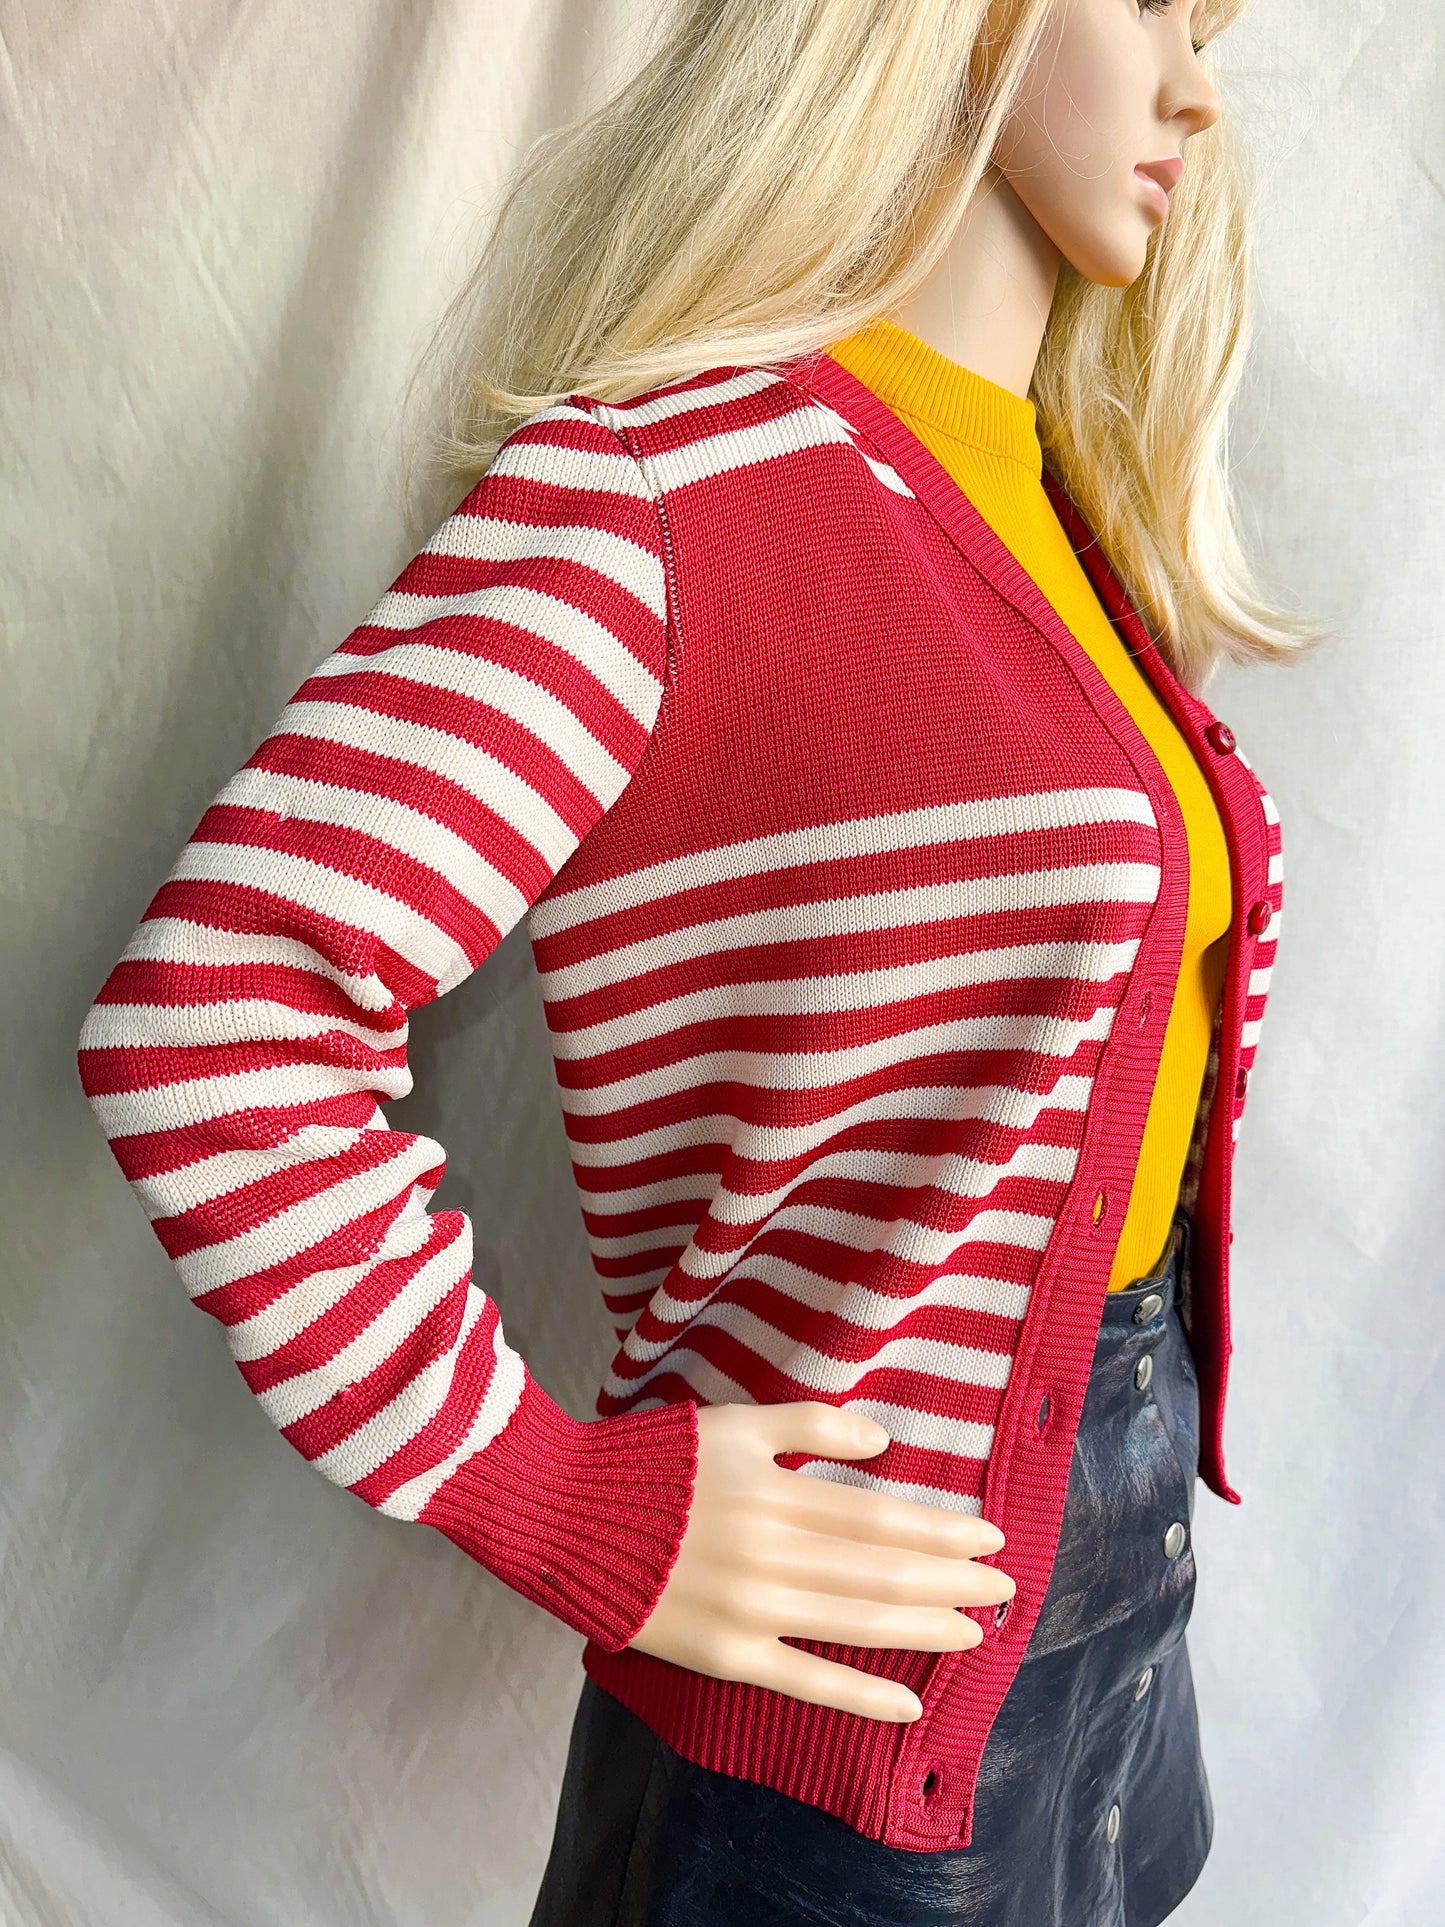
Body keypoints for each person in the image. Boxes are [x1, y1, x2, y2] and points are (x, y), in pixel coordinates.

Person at [78, 2, 1322, 1921]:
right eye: (1148, 5)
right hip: (848, 1675)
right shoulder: (665, 497)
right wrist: (554, 1498)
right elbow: (215, 1016)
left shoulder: (1061, 512)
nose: (1194, 89)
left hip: (1117, 1614)